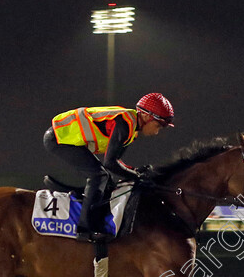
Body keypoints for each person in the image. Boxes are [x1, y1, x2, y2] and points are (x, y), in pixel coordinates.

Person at [42, 93, 174, 242]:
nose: (157, 132)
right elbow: (109, 163)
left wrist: (135, 172)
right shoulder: (124, 124)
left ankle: (92, 214)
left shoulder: (131, 128)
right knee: (99, 176)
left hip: (66, 138)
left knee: (107, 180)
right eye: (157, 125)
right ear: (144, 115)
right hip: (58, 138)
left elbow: (116, 162)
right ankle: (84, 229)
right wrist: (136, 176)